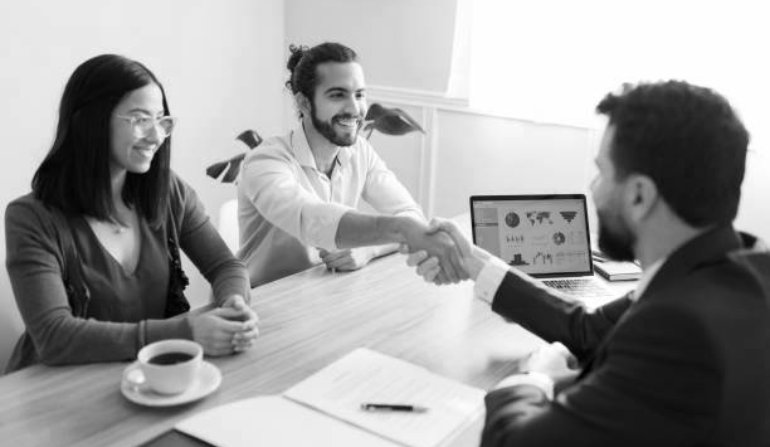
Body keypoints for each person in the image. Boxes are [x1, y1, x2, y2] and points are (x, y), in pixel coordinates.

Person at [405, 81, 770, 445]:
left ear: (639, 195)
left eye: (603, 173)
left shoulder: (678, 328)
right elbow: (590, 331)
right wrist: (474, 262)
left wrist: (533, 379)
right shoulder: (735, 267)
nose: (594, 189)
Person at [4, 54, 259, 374]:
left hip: (144, 372)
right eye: (140, 119)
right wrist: (185, 332)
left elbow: (225, 266)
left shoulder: (168, 191)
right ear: (90, 121)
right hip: (53, 384)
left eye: (161, 121)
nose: (156, 136)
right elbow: (54, 337)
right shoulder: (30, 217)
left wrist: (234, 303)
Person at [237, 42, 465, 287]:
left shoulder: (359, 151)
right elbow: (311, 218)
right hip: (262, 299)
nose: (355, 108)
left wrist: (367, 249)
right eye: (337, 95)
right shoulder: (265, 161)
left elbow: (410, 214)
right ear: (304, 103)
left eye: (359, 94)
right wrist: (401, 230)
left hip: (325, 291)